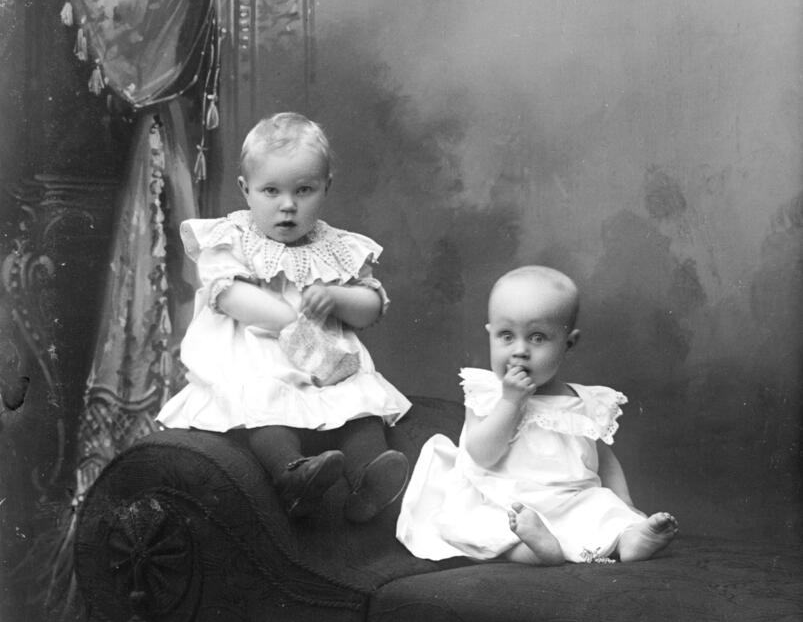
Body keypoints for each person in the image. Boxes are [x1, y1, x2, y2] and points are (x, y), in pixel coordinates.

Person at [158, 112, 410, 520]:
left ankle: (368, 481)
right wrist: (288, 316)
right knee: (266, 408)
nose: (288, 205)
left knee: (359, 406)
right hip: (258, 357)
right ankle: (293, 474)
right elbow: (227, 294)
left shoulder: (337, 246)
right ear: (246, 190)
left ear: (326, 187)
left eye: (304, 190)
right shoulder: (232, 238)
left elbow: (371, 307)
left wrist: (336, 297)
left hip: (325, 364)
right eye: (271, 191)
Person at [397, 265, 678, 564]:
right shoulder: (488, 393)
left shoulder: (583, 401)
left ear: (568, 343)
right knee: (495, 528)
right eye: (506, 336)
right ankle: (540, 548)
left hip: (570, 500)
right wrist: (510, 403)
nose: (520, 350)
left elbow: (605, 460)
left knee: (601, 510)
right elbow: (481, 454)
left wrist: (625, 504)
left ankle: (630, 539)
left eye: (537, 337)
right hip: (502, 498)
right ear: (490, 335)